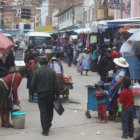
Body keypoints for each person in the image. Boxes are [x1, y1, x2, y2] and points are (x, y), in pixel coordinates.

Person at [31, 57, 60, 136]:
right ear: (47, 63)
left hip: (41, 94)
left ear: (40, 63)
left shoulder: (37, 71)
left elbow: (33, 84)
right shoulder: (52, 71)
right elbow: (56, 84)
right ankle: (48, 124)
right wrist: (57, 94)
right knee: (50, 110)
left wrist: (34, 91)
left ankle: (45, 130)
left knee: (43, 111)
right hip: (51, 94)